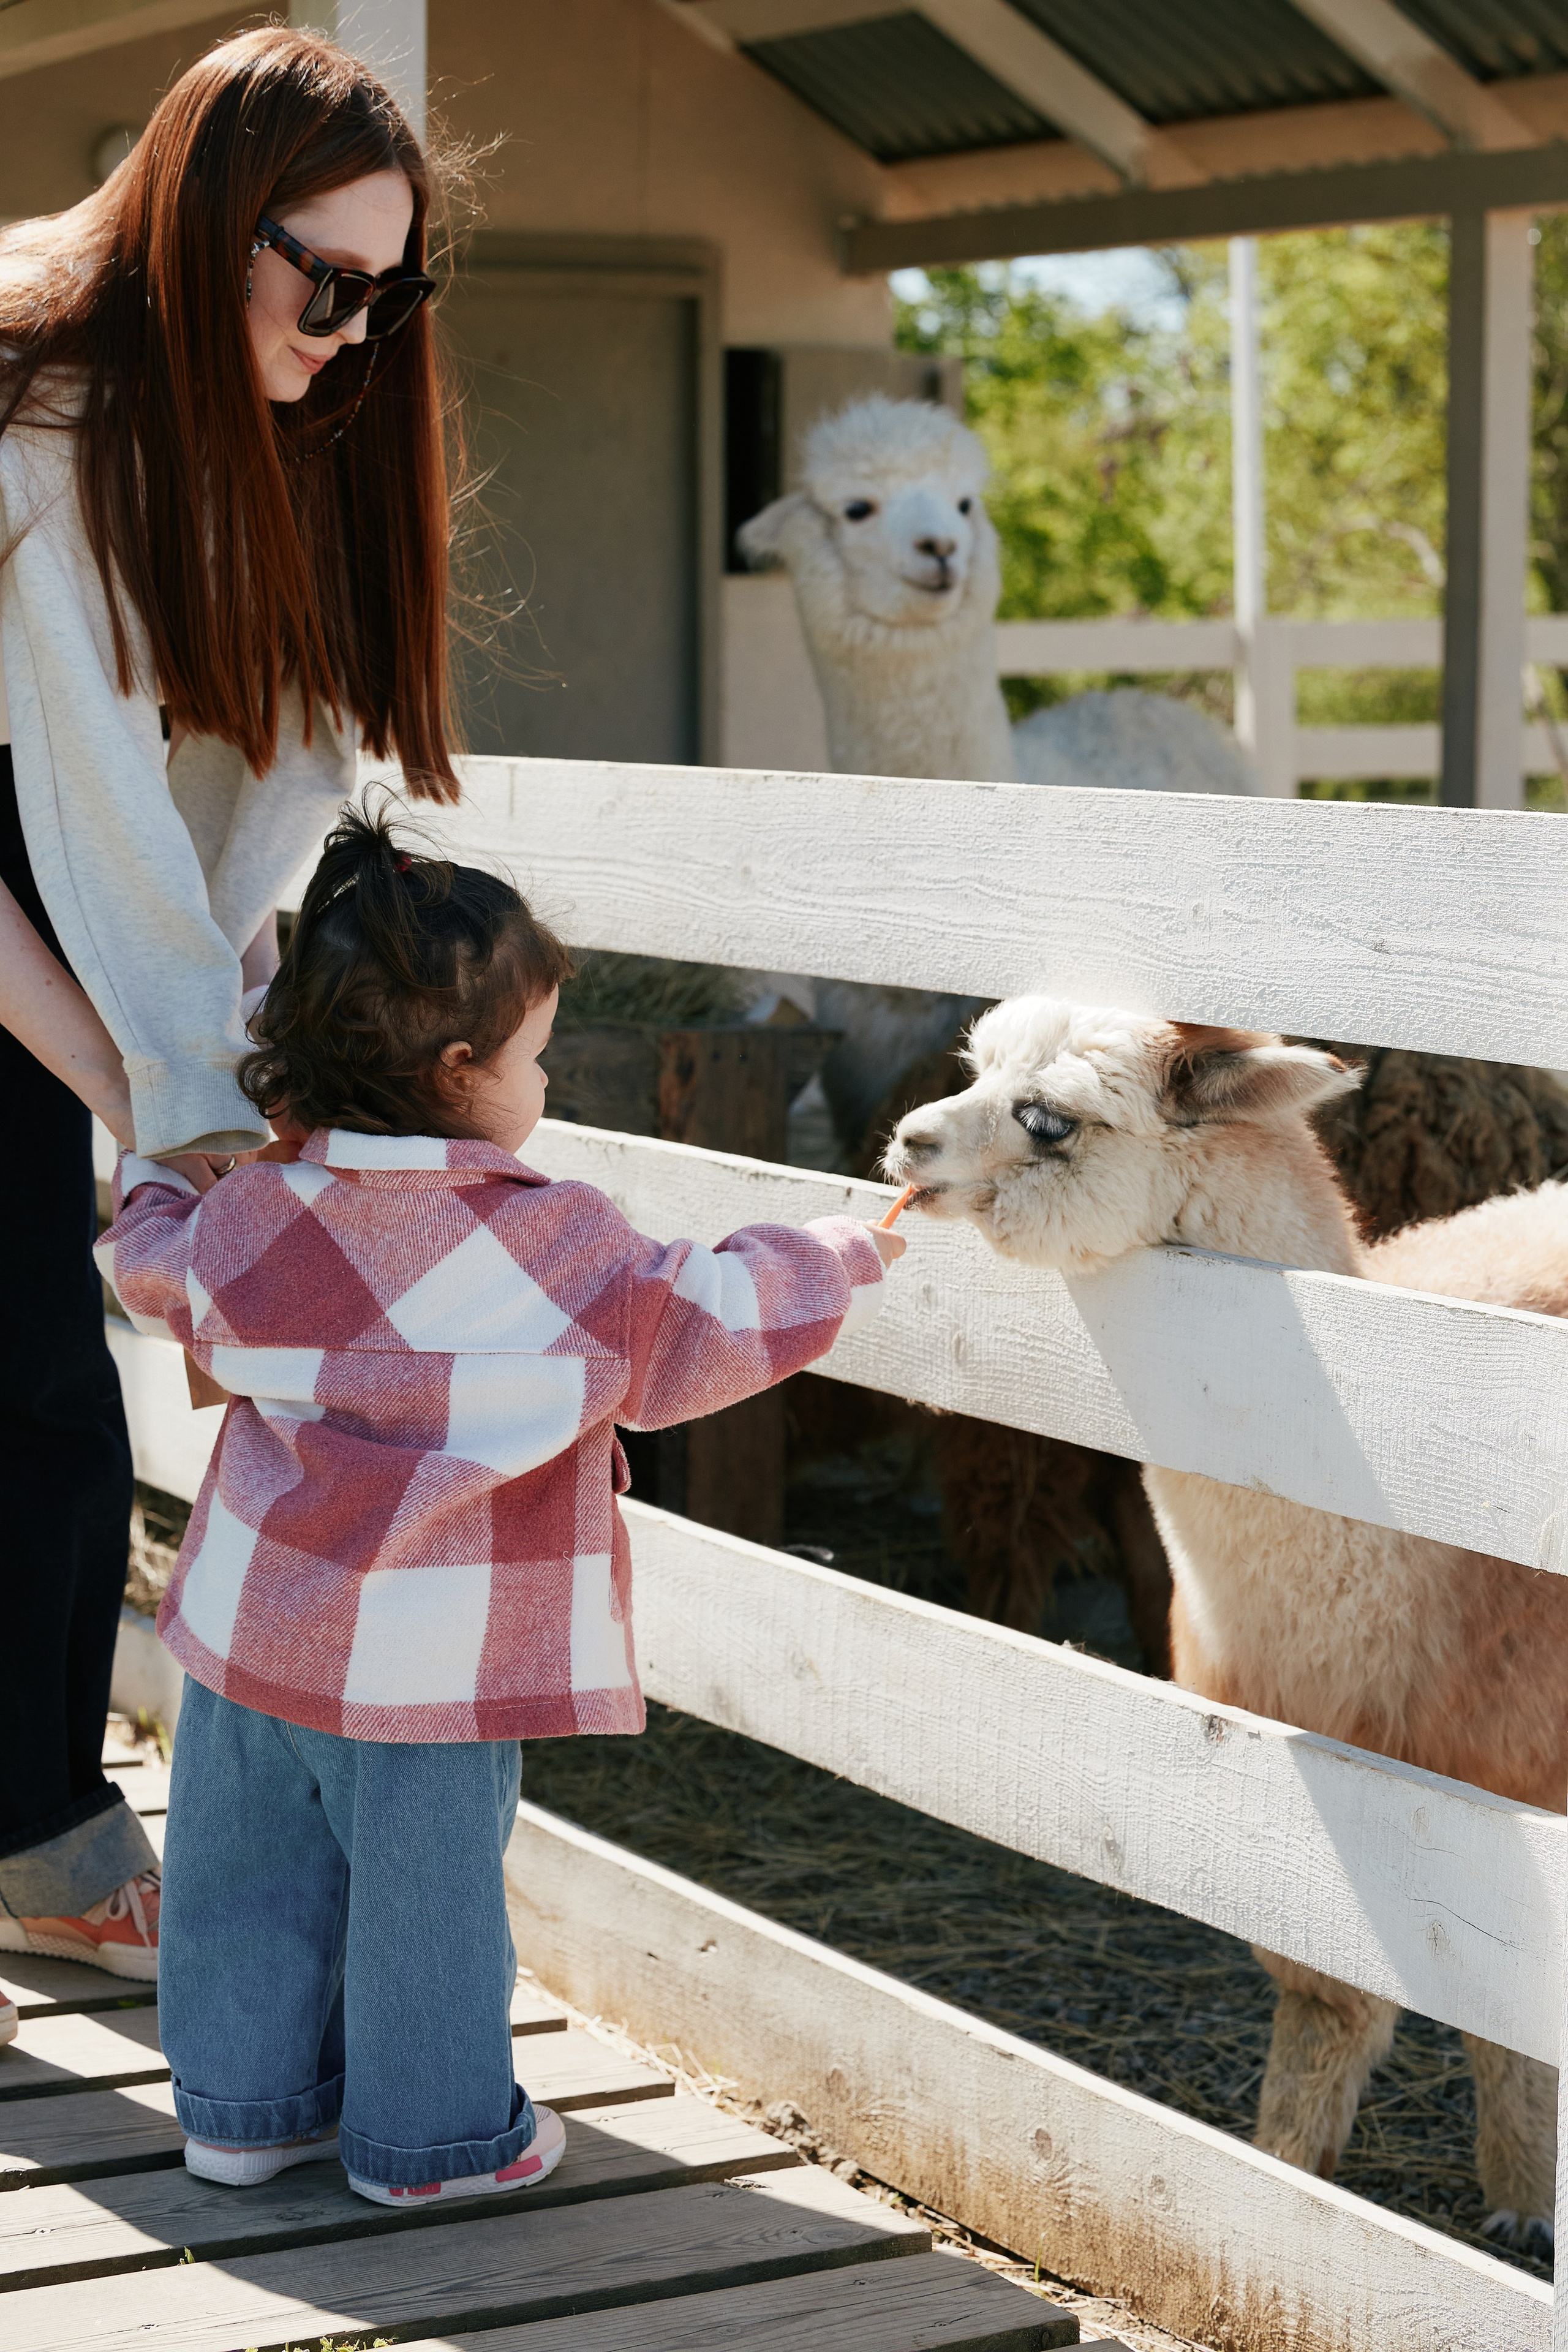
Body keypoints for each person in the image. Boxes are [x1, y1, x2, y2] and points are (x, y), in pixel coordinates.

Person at [92, 802, 906, 2201]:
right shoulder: (558, 1246)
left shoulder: (255, 1218)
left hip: (251, 1628)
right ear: (462, 1068)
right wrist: (839, 1253)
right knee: (428, 1902)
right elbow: (693, 1326)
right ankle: (433, 2144)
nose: (543, 1084)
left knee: (241, 1868)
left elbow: (155, 1261)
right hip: (435, 1663)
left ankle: (241, 2111)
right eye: (534, 1057)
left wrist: (153, 1185)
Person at [0, 26, 456, 1978]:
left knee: (36, 1384)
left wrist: (223, 1080)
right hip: (29, 860)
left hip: (39, 881)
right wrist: (185, 1120)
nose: (357, 332)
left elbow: (254, 788)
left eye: (392, 293)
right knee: (24, 1372)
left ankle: (31, 1835)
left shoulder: (265, 431)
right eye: (328, 283)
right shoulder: (39, 419)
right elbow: (93, 803)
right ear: (205, 223)